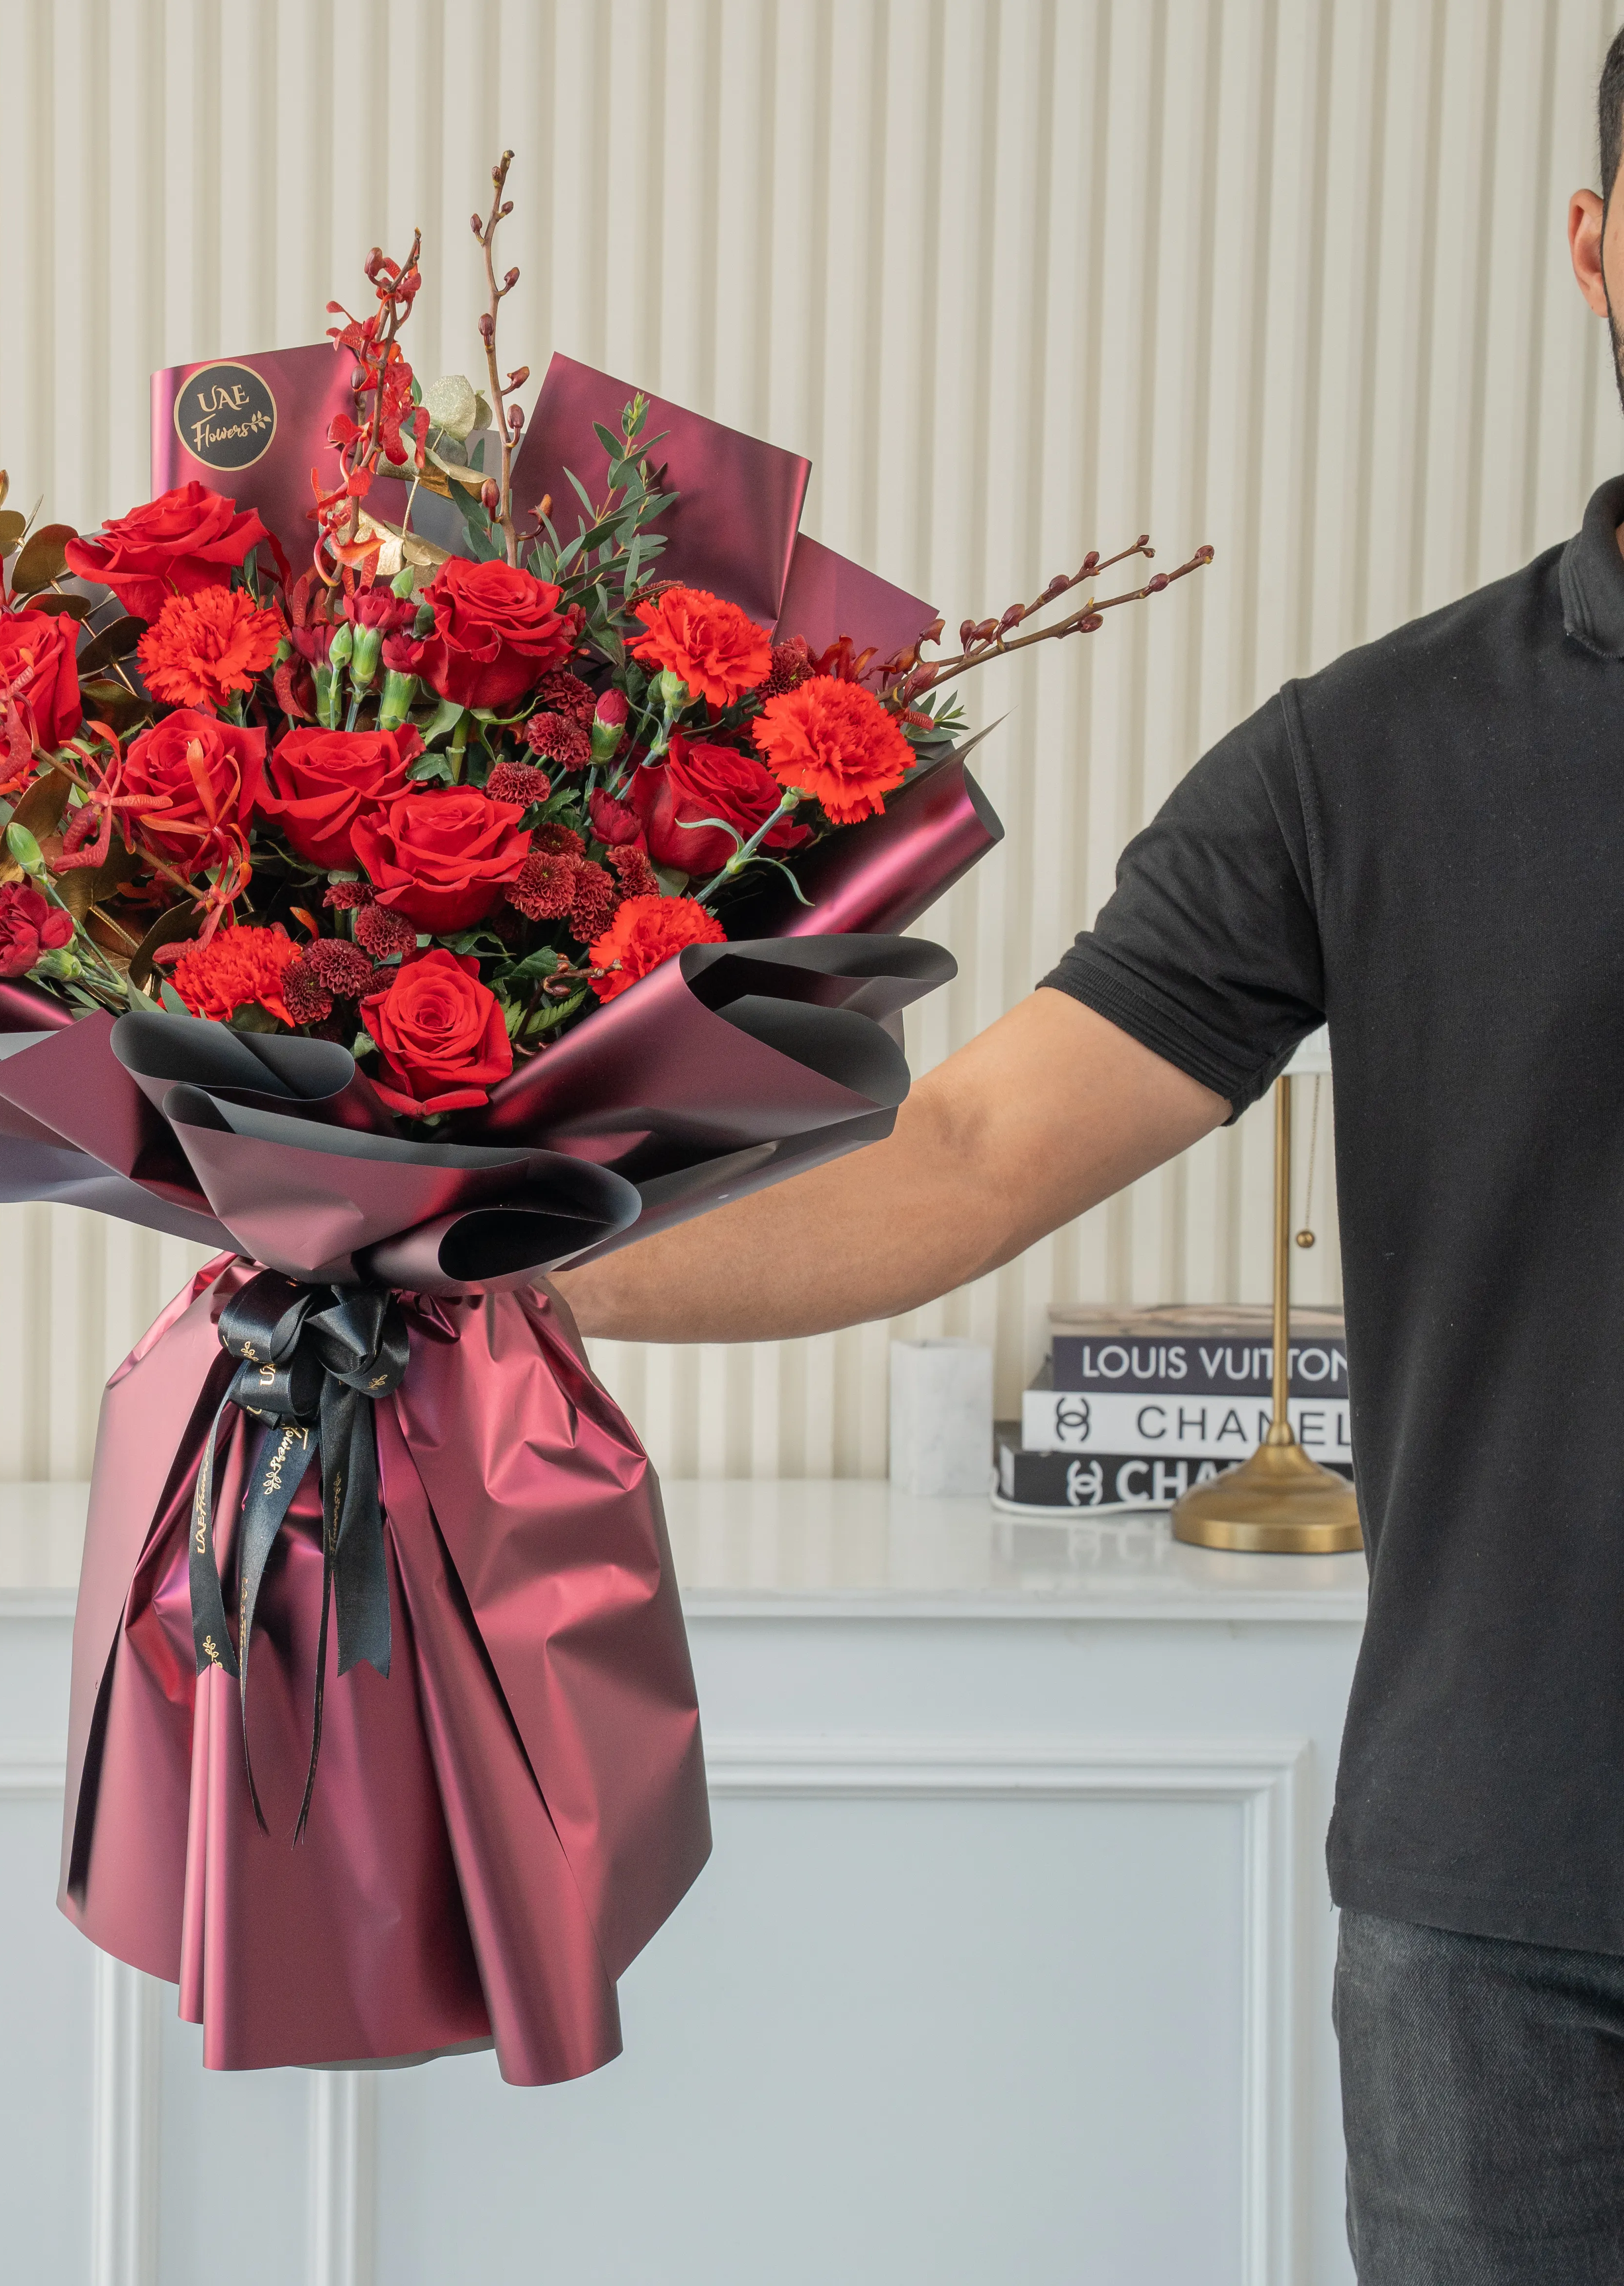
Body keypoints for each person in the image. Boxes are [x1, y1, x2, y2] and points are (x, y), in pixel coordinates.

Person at [557, 29, 1624, 2283]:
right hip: (1516, 1919)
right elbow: (956, 1150)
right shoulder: (1371, 758)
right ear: (1598, 252)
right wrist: (463, 1253)